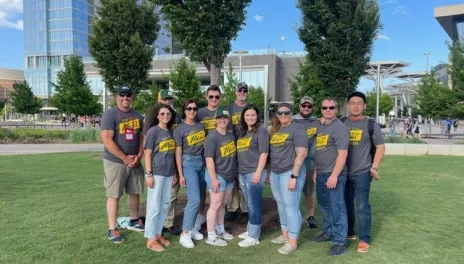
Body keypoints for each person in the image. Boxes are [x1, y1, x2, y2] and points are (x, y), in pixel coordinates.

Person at [100, 86, 145, 244]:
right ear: (116, 97)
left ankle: (134, 220)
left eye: (128, 95)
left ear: (132, 97)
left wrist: (139, 155)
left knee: (135, 191)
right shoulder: (110, 114)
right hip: (116, 162)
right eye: (122, 95)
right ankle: (112, 229)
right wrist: (125, 158)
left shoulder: (137, 115)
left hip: (135, 161)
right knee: (114, 194)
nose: (125, 97)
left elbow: (141, 138)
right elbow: (106, 139)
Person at [342, 92, 386, 253]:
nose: (355, 106)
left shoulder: (370, 124)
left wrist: (373, 167)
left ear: (364, 106)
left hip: (362, 172)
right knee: (346, 205)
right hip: (343, 173)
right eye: (352, 102)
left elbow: (380, 148)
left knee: (362, 206)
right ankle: (349, 232)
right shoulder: (341, 123)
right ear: (348, 105)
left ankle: (365, 238)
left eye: (359, 103)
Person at [312, 98, 350, 256]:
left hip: (334, 175)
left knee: (337, 208)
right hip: (321, 173)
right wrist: (315, 170)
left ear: (336, 109)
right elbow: (319, 150)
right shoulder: (321, 126)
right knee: (325, 206)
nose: (328, 110)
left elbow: (343, 153)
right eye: (325, 107)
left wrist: (334, 175)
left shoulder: (339, 128)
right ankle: (328, 232)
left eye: (331, 107)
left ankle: (340, 241)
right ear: (321, 109)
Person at [269, 103, 308, 255]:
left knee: (291, 206)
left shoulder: (298, 129)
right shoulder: (276, 129)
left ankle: (292, 241)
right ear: (277, 114)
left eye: (286, 112)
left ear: (291, 113)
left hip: (289, 173)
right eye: (280, 113)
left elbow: (302, 153)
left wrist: (294, 175)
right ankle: (285, 234)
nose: (283, 115)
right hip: (275, 172)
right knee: (281, 203)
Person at [143, 88, 182, 236]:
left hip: (169, 172)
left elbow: (172, 152)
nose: (166, 115)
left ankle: (159, 233)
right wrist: (149, 174)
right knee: (154, 206)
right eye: (163, 114)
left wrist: (174, 172)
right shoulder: (153, 128)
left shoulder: (171, 130)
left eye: (168, 114)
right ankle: (150, 237)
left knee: (165, 204)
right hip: (157, 172)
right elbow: (147, 152)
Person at [174, 99, 207, 248]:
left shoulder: (201, 126)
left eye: (194, 108)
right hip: (188, 164)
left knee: (199, 197)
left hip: (202, 163)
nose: (192, 111)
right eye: (189, 109)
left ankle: (192, 228)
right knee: (193, 199)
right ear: (184, 110)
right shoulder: (180, 129)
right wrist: (180, 174)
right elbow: (178, 152)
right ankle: (185, 233)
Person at [236, 105, 269, 247]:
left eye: (253, 115)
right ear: (243, 117)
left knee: (253, 204)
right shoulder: (242, 132)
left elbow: (264, 153)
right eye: (247, 115)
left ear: (257, 117)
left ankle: (254, 236)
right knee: (249, 203)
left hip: (254, 173)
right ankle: (251, 228)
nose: (250, 117)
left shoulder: (261, 132)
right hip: (242, 172)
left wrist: (258, 172)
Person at [204, 107, 237, 246]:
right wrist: (213, 179)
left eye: (225, 118)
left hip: (230, 175)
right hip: (217, 175)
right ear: (216, 120)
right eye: (220, 118)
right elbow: (209, 158)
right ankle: (211, 235)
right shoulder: (212, 136)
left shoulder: (230, 135)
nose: (223, 120)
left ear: (228, 120)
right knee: (215, 204)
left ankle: (220, 230)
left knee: (223, 204)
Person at [292, 96, 319, 230]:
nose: (306, 108)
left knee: (309, 191)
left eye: (309, 106)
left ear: (312, 107)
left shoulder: (317, 122)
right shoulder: (292, 120)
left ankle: (310, 216)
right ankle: (292, 216)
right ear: (299, 106)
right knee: (292, 190)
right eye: (304, 106)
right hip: (293, 162)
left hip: (309, 162)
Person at [226, 82, 249, 221]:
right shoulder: (229, 108)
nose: (242, 93)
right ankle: (232, 207)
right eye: (240, 90)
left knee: (245, 178)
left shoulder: (250, 108)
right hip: (232, 148)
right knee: (232, 178)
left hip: (247, 149)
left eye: (244, 91)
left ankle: (246, 208)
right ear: (235, 92)